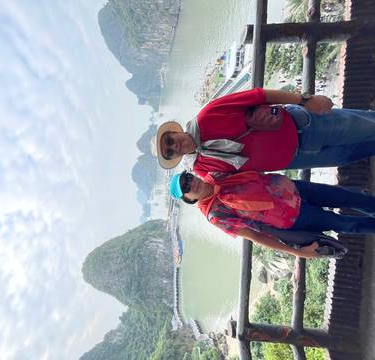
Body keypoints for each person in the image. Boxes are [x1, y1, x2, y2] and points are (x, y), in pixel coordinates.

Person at [156, 88, 375, 176]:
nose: (175, 146)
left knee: (366, 125)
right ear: (175, 157)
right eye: (170, 151)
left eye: (171, 140)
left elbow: (260, 95)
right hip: (298, 158)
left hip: (301, 125)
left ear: (175, 132)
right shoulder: (202, 168)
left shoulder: (208, 115)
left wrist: (306, 101)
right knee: (353, 153)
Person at [168, 170, 375, 258]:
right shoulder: (216, 214)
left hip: (294, 188)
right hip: (294, 217)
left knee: (347, 197)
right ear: (189, 199)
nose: (190, 183)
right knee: (345, 224)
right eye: (186, 187)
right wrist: (298, 253)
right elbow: (256, 236)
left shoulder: (216, 175)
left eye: (187, 177)